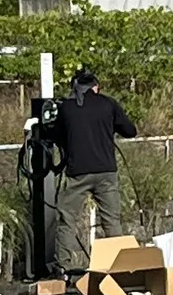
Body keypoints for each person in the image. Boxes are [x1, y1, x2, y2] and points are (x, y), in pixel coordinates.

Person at [53, 68, 136, 275]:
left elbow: (55, 135)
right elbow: (130, 131)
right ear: (96, 87)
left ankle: (64, 267)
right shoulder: (108, 104)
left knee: (67, 219)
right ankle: (119, 268)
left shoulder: (66, 108)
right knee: (111, 220)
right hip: (106, 171)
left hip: (77, 172)